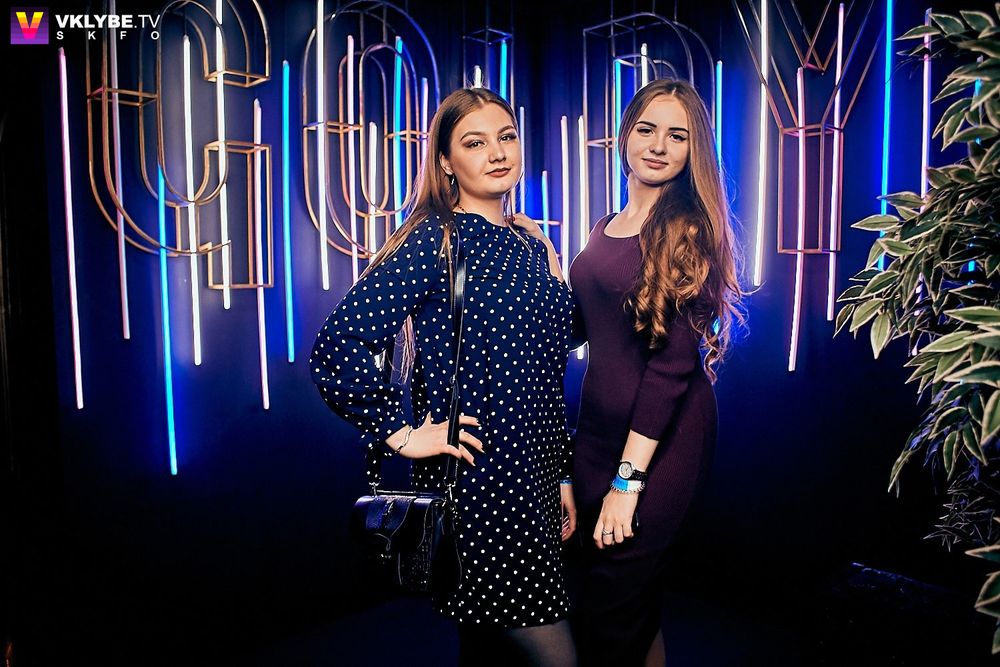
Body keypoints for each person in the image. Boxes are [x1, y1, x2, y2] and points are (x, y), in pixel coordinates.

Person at [310, 87, 579, 667]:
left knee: (487, 648)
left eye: (507, 137)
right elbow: (337, 347)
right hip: (481, 481)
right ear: (446, 162)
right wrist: (403, 434)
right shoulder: (437, 237)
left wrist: (560, 473)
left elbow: (550, 363)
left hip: (533, 475)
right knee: (553, 652)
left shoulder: (531, 243)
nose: (497, 153)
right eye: (475, 143)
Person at [568, 79, 743, 666]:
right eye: (646, 129)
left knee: (611, 610)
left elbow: (670, 370)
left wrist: (627, 483)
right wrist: (542, 258)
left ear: (695, 149)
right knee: (630, 609)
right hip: (596, 434)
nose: (659, 146)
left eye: (678, 135)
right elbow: (587, 327)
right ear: (625, 136)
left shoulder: (689, 231)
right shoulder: (604, 226)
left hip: (662, 443)